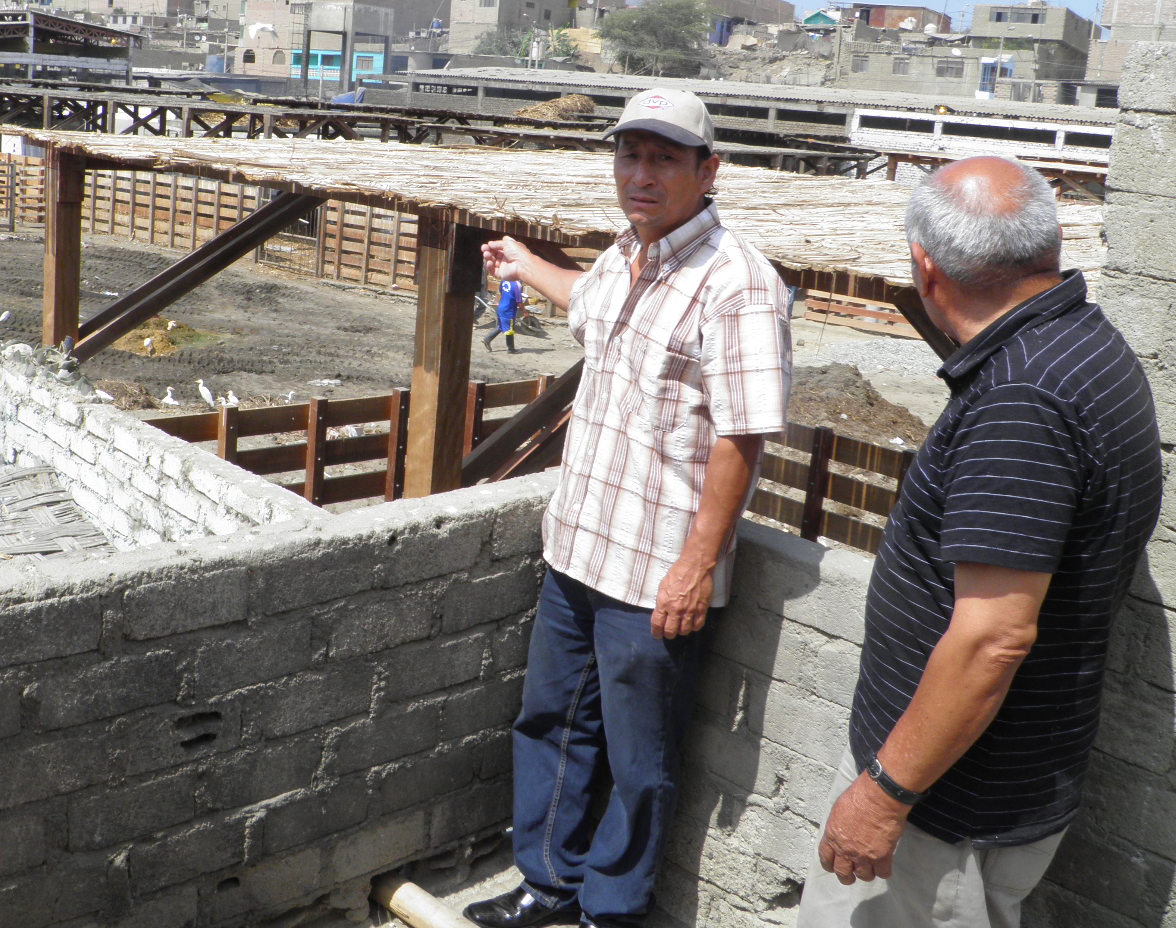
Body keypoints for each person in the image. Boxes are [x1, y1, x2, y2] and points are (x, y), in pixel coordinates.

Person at [798, 156, 1161, 928]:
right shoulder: (1080, 344)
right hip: (970, 789)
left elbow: (993, 639)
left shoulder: (1021, 399)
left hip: (942, 812)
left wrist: (881, 796)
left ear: (925, 268)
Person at [466, 89, 791, 928]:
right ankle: (547, 884)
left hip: (654, 574)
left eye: (663, 159)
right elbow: (588, 302)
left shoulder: (738, 283)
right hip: (578, 548)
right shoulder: (624, 255)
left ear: (708, 171)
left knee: (639, 760)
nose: (641, 174)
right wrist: (522, 265)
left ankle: (609, 911)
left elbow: (743, 437)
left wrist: (696, 566)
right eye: (630, 156)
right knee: (551, 724)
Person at [483, 276, 525, 352]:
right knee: (509, 329)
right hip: (509, 310)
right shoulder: (517, 285)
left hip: (501, 307)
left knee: (501, 326)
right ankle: (511, 349)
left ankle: (487, 339)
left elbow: (501, 291)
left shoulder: (505, 280)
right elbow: (519, 302)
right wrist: (525, 311)